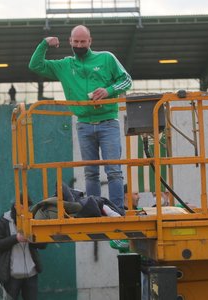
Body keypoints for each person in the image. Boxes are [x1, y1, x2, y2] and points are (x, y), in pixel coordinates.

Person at [28, 25, 132, 210]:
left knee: (114, 171)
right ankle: (96, 209)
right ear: (70, 42)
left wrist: (108, 90)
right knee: (90, 172)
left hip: (108, 122)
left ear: (90, 41)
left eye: (83, 41)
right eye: (76, 41)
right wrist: (44, 44)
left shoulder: (106, 58)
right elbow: (35, 65)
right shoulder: (64, 65)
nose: (79, 45)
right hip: (84, 124)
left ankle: (117, 211)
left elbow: (126, 80)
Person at [0, 198, 47, 300]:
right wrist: (16, 238)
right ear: (15, 206)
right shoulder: (4, 221)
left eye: (27, 209)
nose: (25, 212)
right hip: (11, 276)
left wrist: (33, 240)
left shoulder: (33, 218)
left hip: (31, 274)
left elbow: (43, 244)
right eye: (22, 208)